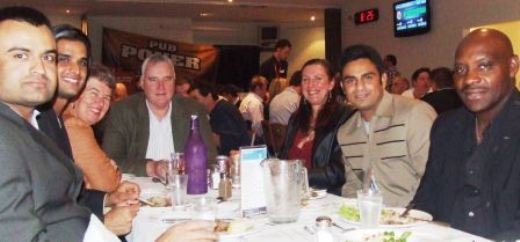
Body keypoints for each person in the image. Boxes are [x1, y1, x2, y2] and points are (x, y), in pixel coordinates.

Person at [413, 28, 520, 240]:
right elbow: (426, 201)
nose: (470, 79)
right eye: (461, 70)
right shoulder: (446, 127)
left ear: (512, 66)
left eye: (484, 66)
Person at [0, 6, 91, 241]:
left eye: (48, 57)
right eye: (20, 55)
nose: (40, 69)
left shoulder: (28, 121)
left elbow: (57, 206)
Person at [337, 44, 437, 207]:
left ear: (383, 80)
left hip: (413, 220)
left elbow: (434, 179)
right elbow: (353, 186)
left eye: (368, 77)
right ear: (343, 88)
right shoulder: (346, 132)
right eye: (351, 81)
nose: (359, 87)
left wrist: (402, 216)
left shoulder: (414, 114)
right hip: (367, 222)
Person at [103, 53, 216, 178]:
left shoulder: (194, 110)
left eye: (167, 79)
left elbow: (210, 159)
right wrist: (152, 167)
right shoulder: (122, 111)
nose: (161, 87)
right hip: (137, 191)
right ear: (141, 82)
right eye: (153, 79)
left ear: (174, 81)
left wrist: (187, 168)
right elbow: (110, 161)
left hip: (181, 191)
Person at [280, 59, 354, 195]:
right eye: (305, 80)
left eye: (318, 79)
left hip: (327, 197)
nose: (310, 86)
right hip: (293, 195)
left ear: (331, 83)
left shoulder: (345, 117)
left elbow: (340, 171)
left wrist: (297, 176)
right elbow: (282, 158)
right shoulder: (296, 118)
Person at [63, 63, 121, 192]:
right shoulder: (75, 126)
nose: (100, 103)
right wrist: (114, 172)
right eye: (94, 93)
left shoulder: (68, 121)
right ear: (76, 94)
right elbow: (108, 184)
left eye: (106, 98)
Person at [190, 81, 250, 155]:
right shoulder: (217, 110)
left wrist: (201, 132)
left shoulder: (224, 111)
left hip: (237, 159)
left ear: (209, 95)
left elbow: (231, 143)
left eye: (196, 99)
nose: (192, 103)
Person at [239, 75, 268, 141]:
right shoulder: (255, 103)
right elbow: (258, 125)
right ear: (257, 88)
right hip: (251, 139)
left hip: (244, 135)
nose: (266, 92)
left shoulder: (247, 99)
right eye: (265, 89)